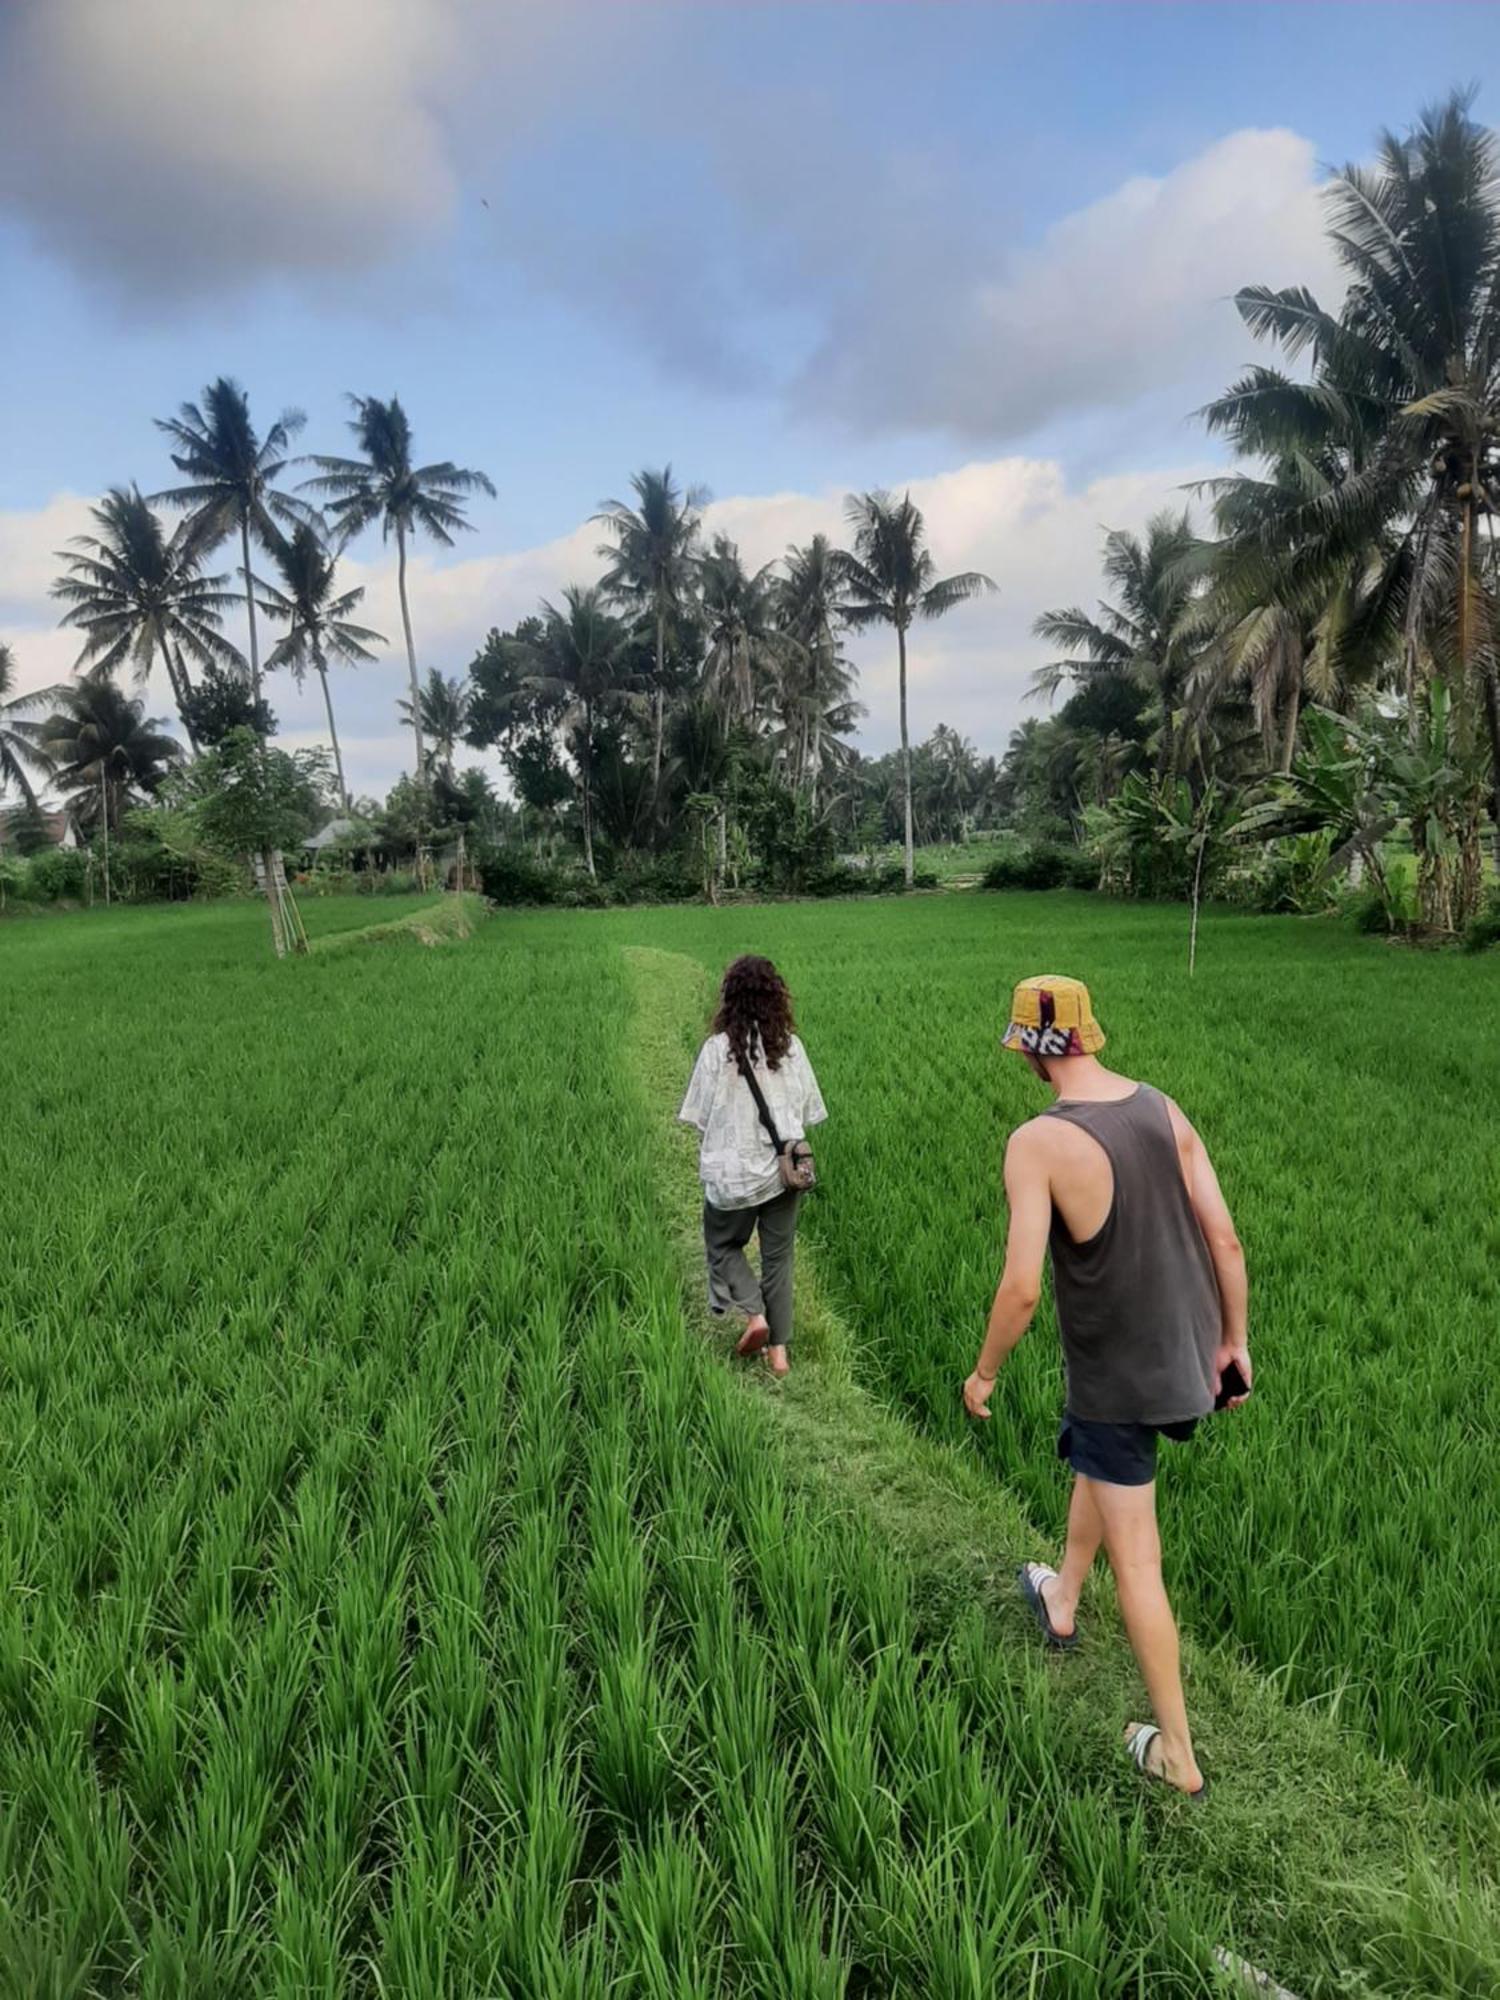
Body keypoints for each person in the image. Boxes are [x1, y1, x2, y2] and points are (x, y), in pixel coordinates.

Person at [962, 975, 1250, 1798]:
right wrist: (1234, 1343)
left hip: (1118, 1379)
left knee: (1142, 1565)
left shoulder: (1038, 1143)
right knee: (1097, 1464)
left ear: (1029, 1052)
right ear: (1087, 1036)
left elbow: (1020, 1288)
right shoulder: (1162, 1108)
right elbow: (1224, 1242)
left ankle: (1178, 1756)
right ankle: (1061, 1597)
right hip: (1186, 1356)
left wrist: (984, 1374)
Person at [678, 954, 826, 1378]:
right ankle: (779, 1354)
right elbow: (807, 1111)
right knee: (779, 1258)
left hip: (732, 1177)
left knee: (723, 1247)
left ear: (730, 999)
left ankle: (755, 1317)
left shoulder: (715, 1051)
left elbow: (699, 1117)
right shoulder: (791, 1048)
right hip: (784, 1173)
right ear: (776, 997)